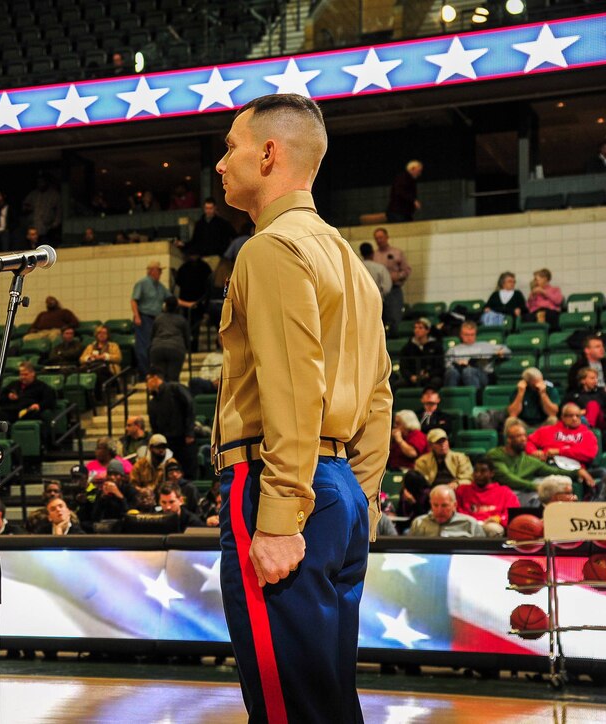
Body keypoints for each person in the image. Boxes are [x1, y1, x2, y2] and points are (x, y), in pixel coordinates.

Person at [213, 94, 391, 723]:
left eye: (230, 146)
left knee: (290, 706)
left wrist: (281, 512)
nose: (220, 163)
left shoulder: (268, 250)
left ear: (268, 153)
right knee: (329, 697)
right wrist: (359, 498)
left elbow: (291, 387)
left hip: (280, 479)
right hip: (340, 487)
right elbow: (378, 397)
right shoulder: (351, 263)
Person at [487, 420, 589, 504]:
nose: (523, 439)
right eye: (519, 436)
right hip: (505, 494)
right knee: (538, 493)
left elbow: (552, 470)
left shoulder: (529, 460)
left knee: (559, 481)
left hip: (526, 491)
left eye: (524, 436)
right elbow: (508, 479)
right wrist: (536, 487)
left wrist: (577, 472)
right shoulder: (495, 455)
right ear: (508, 440)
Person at [526, 402, 599, 485]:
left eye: (577, 416)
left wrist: (559, 451)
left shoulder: (588, 434)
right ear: (562, 417)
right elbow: (528, 441)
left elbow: (589, 454)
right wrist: (533, 451)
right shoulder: (548, 430)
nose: (574, 418)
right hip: (551, 464)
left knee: (603, 473)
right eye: (570, 415)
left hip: (576, 468)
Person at [145, 368, 195, 479]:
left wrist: (189, 432)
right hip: (167, 442)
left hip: (183, 438)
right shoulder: (153, 402)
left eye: (148, 380)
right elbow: (154, 425)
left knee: (187, 470)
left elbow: (189, 406)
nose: (147, 385)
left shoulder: (175, 388)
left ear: (155, 378)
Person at [455, 458, 519, 537]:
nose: (478, 474)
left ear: (491, 473)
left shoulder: (504, 491)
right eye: (476, 471)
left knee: (494, 529)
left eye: (483, 471)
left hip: (491, 525)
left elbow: (512, 514)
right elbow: (455, 509)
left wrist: (498, 519)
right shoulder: (462, 490)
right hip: (467, 524)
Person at [131, 260, 172, 375]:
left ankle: (154, 372)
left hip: (156, 319)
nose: (160, 273)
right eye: (159, 270)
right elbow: (134, 300)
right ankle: (145, 373)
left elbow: (171, 299)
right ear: (152, 271)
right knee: (144, 346)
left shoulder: (160, 286)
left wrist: (188, 304)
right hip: (144, 318)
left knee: (154, 346)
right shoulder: (142, 283)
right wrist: (137, 316)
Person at [444, 322, 509, 389]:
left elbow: (507, 350)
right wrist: (458, 364)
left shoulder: (485, 345)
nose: (469, 337)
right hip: (459, 373)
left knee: (469, 371)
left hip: (482, 374)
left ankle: (476, 397)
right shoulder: (453, 350)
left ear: (475, 335)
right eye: (466, 335)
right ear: (461, 334)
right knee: (451, 372)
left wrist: (502, 352)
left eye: (472, 335)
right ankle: (450, 397)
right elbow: (447, 365)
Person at [407, 485, 486, 538]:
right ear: (430, 504)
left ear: (454, 505)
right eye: (435, 505)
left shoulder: (469, 524)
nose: (439, 510)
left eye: (444, 505)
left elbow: (483, 551)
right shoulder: (419, 523)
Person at [372, 227, 411, 333]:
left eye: (381, 237)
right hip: (379, 292)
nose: (379, 240)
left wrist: (397, 276)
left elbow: (407, 270)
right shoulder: (374, 256)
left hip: (394, 290)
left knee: (394, 317)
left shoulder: (397, 253)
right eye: (376, 238)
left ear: (387, 237)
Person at [174, 251, 212, 351]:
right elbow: (209, 283)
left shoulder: (184, 267)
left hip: (187, 300)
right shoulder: (204, 267)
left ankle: (190, 347)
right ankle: (193, 347)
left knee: (190, 326)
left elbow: (178, 282)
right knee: (194, 326)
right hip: (198, 301)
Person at [149, 297, 190, 383]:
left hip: (157, 348)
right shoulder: (181, 320)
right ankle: (172, 395)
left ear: (165, 306)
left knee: (159, 380)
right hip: (176, 348)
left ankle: (161, 395)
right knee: (173, 379)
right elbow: (187, 338)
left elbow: (152, 336)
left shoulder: (158, 318)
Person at [399, 319, 444, 389]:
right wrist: (411, 376)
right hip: (413, 377)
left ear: (427, 330)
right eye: (415, 328)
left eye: (420, 328)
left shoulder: (436, 346)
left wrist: (428, 374)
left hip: (430, 377)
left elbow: (440, 367)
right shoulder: (407, 348)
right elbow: (403, 367)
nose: (417, 330)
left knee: (436, 382)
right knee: (398, 384)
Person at [23, 174, 62, 245]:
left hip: (48, 227)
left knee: (46, 245)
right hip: (34, 225)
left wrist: (55, 224)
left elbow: (59, 211)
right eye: (39, 182)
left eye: (42, 182)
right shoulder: (33, 194)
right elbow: (25, 206)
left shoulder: (54, 194)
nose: (40, 184)